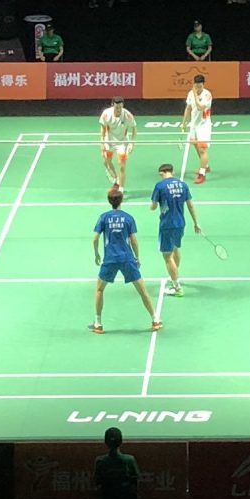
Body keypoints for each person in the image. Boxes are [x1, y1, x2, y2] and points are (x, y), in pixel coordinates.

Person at [90, 191, 162, 334]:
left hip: (110, 259)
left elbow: (95, 238)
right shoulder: (128, 218)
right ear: (121, 200)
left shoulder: (103, 217)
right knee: (142, 291)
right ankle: (155, 320)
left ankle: (98, 324)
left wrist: (97, 254)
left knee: (99, 290)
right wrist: (137, 257)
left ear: (109, 201)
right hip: (127, 259)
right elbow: (133, 240)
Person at [151, 163, 201, 297]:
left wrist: (153, 205)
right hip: (180, 223)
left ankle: (177, 288)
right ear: (172, 172)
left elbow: (153, 206)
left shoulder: (160, 186)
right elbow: (190, 205)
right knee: (175, 248)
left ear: (162, 173)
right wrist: (196, 223)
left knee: (167, 256)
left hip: (167, 224)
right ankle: (175, 275)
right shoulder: (183, 185)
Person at [94, 427, 140, 499]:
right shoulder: (130, 460)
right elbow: (136, 479)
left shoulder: (100, 461)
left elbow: (97, 480)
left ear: (106, 442)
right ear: (121, 441)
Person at [99, 96, 137, 194]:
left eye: (120, 107)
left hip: (122, 143)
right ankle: (115, 178)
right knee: (107, 162)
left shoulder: (127, 115)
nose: (118, 109)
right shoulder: (106, 114)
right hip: (109, 141)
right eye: (116, 107)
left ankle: (121, 189)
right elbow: (103, 129)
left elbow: (134, 129)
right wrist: (102, 142)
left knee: (122, 165)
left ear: (122, 106)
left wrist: (132, 143)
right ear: (113, 105)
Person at [181, 74, 213, 185]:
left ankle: (202, 174)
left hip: (204, 126)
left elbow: (199, 107)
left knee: (202, 149)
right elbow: (188, 108)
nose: (198, 88)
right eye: (196, 86)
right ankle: (206, 166)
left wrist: (195, 94)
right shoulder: (190, 93)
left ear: (203, 85)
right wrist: (184, 122)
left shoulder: (207, 95)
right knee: (196, 146)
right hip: (193, 125)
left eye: (200, 86)